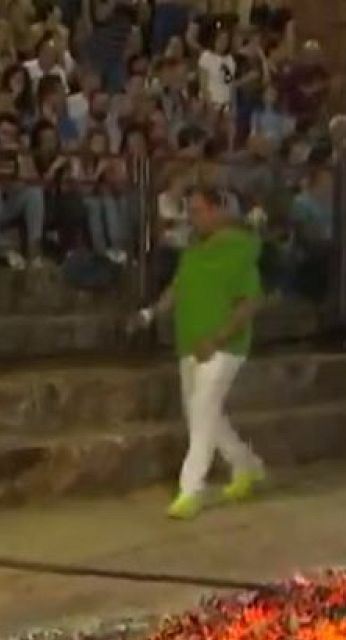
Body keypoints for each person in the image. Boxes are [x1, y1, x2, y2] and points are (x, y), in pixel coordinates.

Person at [132, 186, 266, 520]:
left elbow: (250, 302)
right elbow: (177, 288)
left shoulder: (239, 249)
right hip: (189, 343)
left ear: (217, 210)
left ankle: (191, 489)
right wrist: (149, 314)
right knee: (201, 413)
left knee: (203, 410)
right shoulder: (194, 250)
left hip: (223, 347)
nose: (193, 218)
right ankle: (246, 464)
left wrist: (218, 338)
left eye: (198, 211)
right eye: (190, 211)